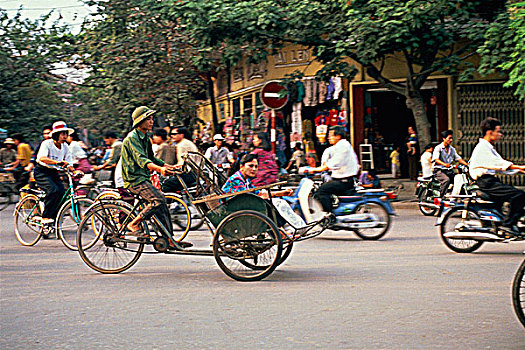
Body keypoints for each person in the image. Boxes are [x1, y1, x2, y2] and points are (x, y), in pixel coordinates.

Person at [120, 106, 188, 248]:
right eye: (148, 119)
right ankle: (134, 223)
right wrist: (160, 170)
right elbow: (142, 160)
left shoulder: (145, 137)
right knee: (158, 199)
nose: (151, 121)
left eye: (151, 118)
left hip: (142, 177)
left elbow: (151, 157)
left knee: (162, 204)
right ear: (140, 121)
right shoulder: (132, 138)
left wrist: (168, 166)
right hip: (134, 179)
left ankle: (169, 239)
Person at [469, 117, 525, 235]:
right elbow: (499, 164)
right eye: (498, 131)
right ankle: (508, 225)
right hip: (486, 182)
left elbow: (502, 165)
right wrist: (520, 167)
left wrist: (519, 170)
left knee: (506, 199)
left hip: (490, 180)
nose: (500, 134)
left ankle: (500, 224)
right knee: (519, 195)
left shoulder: (488, 147)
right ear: (490, 132)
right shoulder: (483, 148)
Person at [34, 121, 77, 233]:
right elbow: (42, 158)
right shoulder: (47, 143)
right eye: (62, 134)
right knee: (53, 190)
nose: (64, 136)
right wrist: (56, 162)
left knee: (62, 193)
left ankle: (53, 218)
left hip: (54, 172)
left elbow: (69, 163)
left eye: (66, 134)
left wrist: (75, 171)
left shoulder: (65, 147)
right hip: (42, 172)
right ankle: (45, 217)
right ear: (56, 135)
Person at [307, 126, 360, 213]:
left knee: (322, 191)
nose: (328, 138)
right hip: (341, 179)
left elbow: (334, 163)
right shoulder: (337, 147)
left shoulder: (343, 146)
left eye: (331, 135)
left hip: (344, 181)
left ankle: (329, 216)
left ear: (338, 136)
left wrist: (315, 170)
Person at [222, 153, 292, 199]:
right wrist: (262, 197)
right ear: (242, 167)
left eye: (256, 166)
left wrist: (281, 193)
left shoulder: (246, 180)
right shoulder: (236, 180)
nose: (254, 169)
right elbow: (246, 200)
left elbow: (257, 193)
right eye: (251, 166)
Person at [432, 130, 468, 198]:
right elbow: (436, 159)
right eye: (449, 138)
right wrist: (444, 164)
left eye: (452, 138)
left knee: (458, 180)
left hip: (448, 170)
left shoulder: (452, 149)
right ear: (444, 139)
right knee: (446, 180)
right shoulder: (438, 148)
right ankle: (441, 198)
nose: (451, 140)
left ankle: (454, 196)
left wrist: (467, 164)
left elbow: (459, 159)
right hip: (439, 170)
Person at [161, 126, 198, 193]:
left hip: (190, 174)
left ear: (181, 135)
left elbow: (181, 164)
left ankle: (172, 202)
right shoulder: (187, 142)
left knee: (166, 184)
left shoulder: (182, 145)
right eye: (171, 134)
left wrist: (171, 168)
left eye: (174, 134)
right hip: (194, 173)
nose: (172, 136)